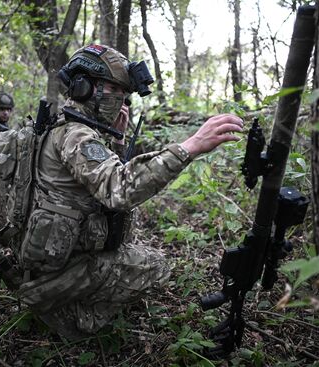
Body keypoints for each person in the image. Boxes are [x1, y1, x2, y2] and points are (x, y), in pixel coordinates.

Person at [16, 45, 244, 340]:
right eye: (114, 88)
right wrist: (190, 146)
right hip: (59, 266)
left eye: (124, 93)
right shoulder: (76, 135)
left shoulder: (61, 125)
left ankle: (61, 294)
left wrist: (117, 140)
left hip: (49, 254)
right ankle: (75, 318)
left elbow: (92, 180)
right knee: (157, 266)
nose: (121, 99)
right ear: (85, 86)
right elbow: (118, 190)